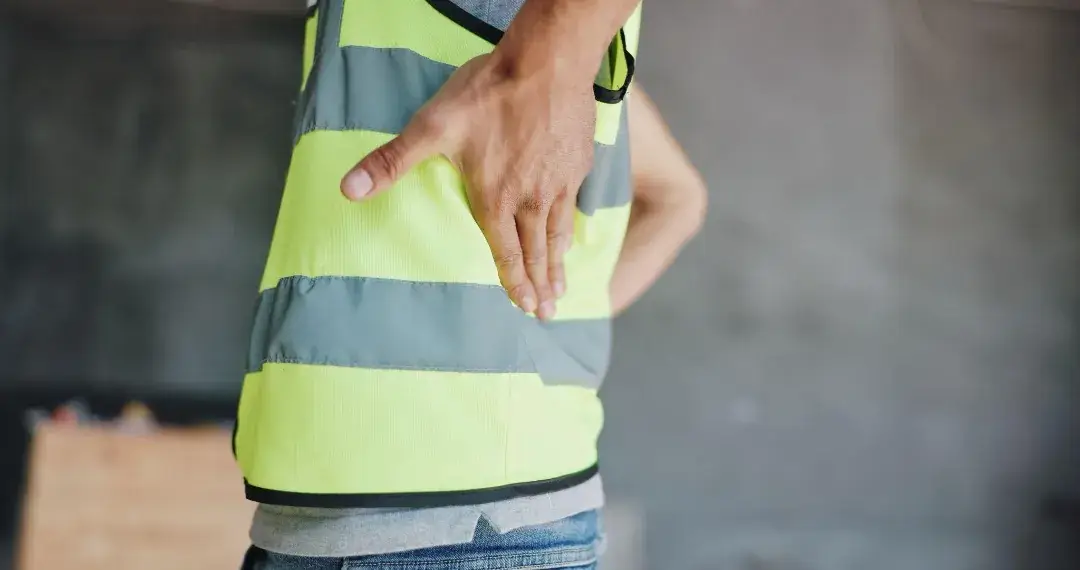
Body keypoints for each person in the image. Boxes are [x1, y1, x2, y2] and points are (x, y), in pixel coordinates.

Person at [235, 1, 706, 569]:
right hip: (307, 521)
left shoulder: (556, 39)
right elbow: (678, 197)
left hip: (467, 531)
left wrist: (540, 69)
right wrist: (543, 329)